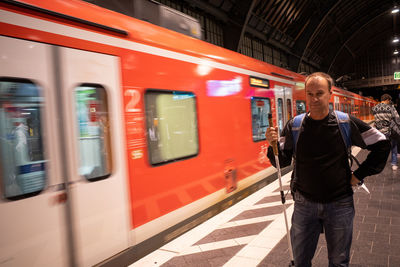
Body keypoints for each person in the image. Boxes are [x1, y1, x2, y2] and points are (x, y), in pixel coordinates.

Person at [266, 72, 390, 267]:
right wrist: (271, 145)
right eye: (310, 94)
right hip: (304, 205)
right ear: (305, 95)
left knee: (339, 262)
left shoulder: (345, 122)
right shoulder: (295, 126)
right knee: (299, 262)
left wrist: (358, 175)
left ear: (330, 94)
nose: (314, 99)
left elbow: (382, 144)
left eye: (320, 93)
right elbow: (280, 162)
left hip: (340, 203)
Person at [372, 94, 400, 171]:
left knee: (380, 148)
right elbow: (397, 119)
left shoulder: (374, 108)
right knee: (394, 147)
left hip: (379, 132)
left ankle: (378, 164)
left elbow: (376, 121)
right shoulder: (390, 107)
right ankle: (394, 164)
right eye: (389, 101)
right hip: (390, 131)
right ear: (387, 100)